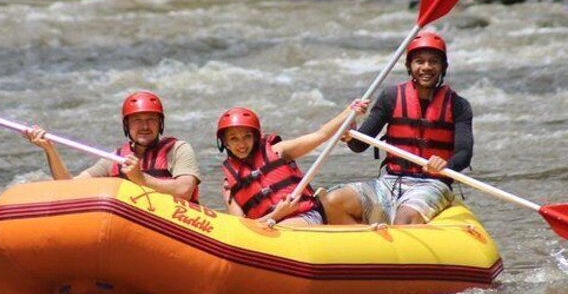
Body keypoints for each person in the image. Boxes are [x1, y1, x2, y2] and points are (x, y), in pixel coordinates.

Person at [323, 31, 474, 225]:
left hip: (432, 184)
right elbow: (360, 145)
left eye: (433, 62)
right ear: (410, 66)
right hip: (390, 182)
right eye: (419, 61)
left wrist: (446, 165)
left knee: (404, 218)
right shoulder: (391, 97)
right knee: (333, 201)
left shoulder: (459, 105)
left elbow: (464, 152)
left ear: (443, 67)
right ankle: (366, 247)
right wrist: (350, 134)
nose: (426, 67)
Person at [24, 91, 202, 201]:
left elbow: (184, 190)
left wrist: (141, 179)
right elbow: (69, 186)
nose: (145, 127)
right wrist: (49, 149)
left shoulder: (178, 149)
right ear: (127, 126)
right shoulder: (114, 159)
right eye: (137, 121)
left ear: (160, 124)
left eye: (151, 120)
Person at [217, 99, 369, 228]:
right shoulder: (228, 186)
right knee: (265, 232)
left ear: (255, 137)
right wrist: (277, 214)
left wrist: (349, 111)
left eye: (247, 136)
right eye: (234, 139)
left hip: (306, 216)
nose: (242, 144)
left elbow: (320, 135)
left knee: (275, 231)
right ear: (225, 143)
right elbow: (242, 228)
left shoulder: (278, 151)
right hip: (268, 226)